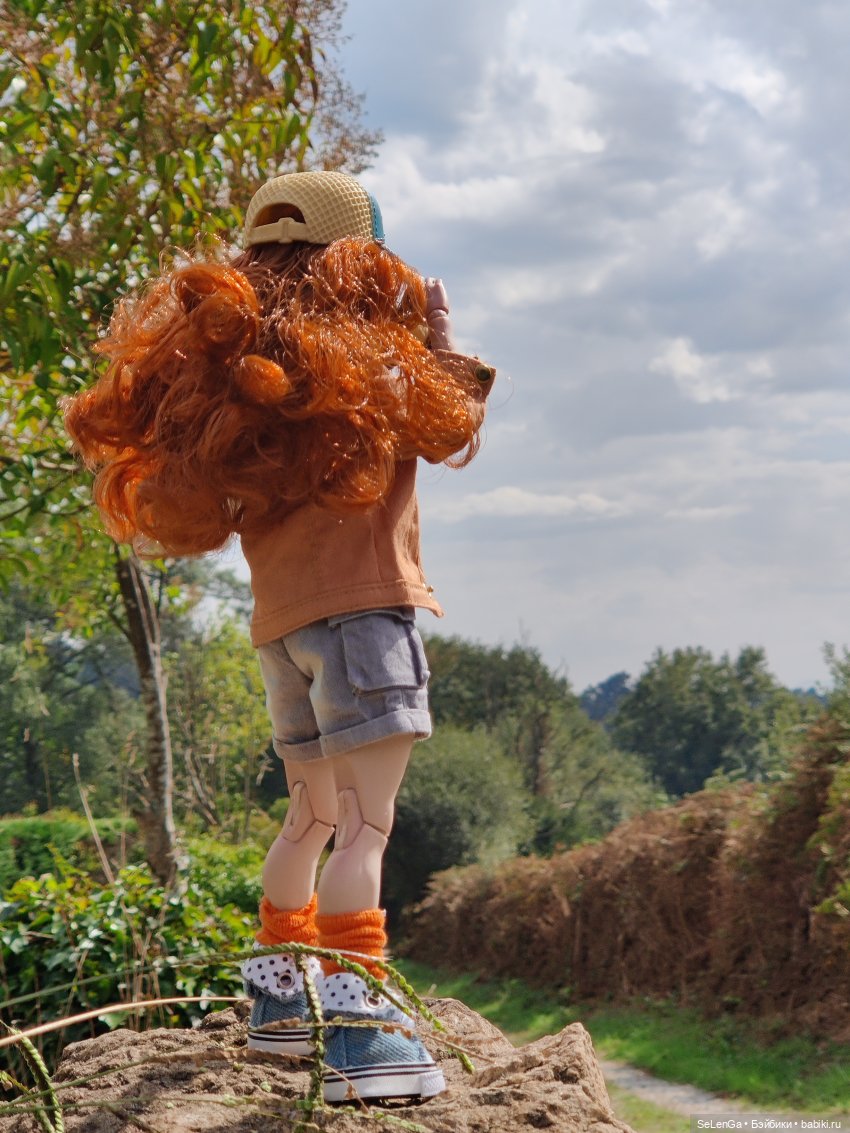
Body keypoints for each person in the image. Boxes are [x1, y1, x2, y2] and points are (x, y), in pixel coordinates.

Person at [64, 169, 495, 1102]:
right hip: (365, 618)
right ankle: (360, 1035)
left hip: (280, 633)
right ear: (362, 261)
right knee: (367, 829)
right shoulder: (378, 369)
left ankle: (281, 1007)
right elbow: (451, 423)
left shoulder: (236, 391)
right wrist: (443, 347)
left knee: (310, 817)